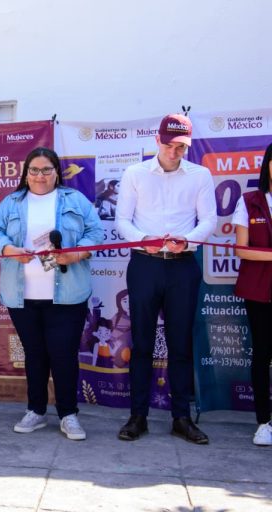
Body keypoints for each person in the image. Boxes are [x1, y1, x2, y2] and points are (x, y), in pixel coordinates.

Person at [0, 147, 103, 441]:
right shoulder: (12, 202)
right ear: (26, 174)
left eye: (46, 170)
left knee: (64, 355)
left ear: (56, 172)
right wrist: (9, 249)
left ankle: (68, 415)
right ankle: (36, 411)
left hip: (67, 294)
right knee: (35, 355)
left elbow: (96, 233)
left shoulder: (74, 200)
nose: (40, 176)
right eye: (34, 170)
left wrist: (74, 256)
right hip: (22, 295)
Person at [116, 114, 217, 444]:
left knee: (181, 344)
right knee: (142, 343)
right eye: (170, 145)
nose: (176, 152)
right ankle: (138, 416)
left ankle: (181, 418)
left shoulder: (200, 175)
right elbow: (122, 222)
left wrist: (187, 241)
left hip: (182, 265)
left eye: (182, 146)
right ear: (157, 141)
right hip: (145, 264)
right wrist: (144, 238)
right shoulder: (135, 173)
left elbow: (209, 221)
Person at [232, 142, 272, 446]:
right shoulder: (250, 201)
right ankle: (263, 422)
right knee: (262, 354)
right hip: (260, 291)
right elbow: (243, 249)